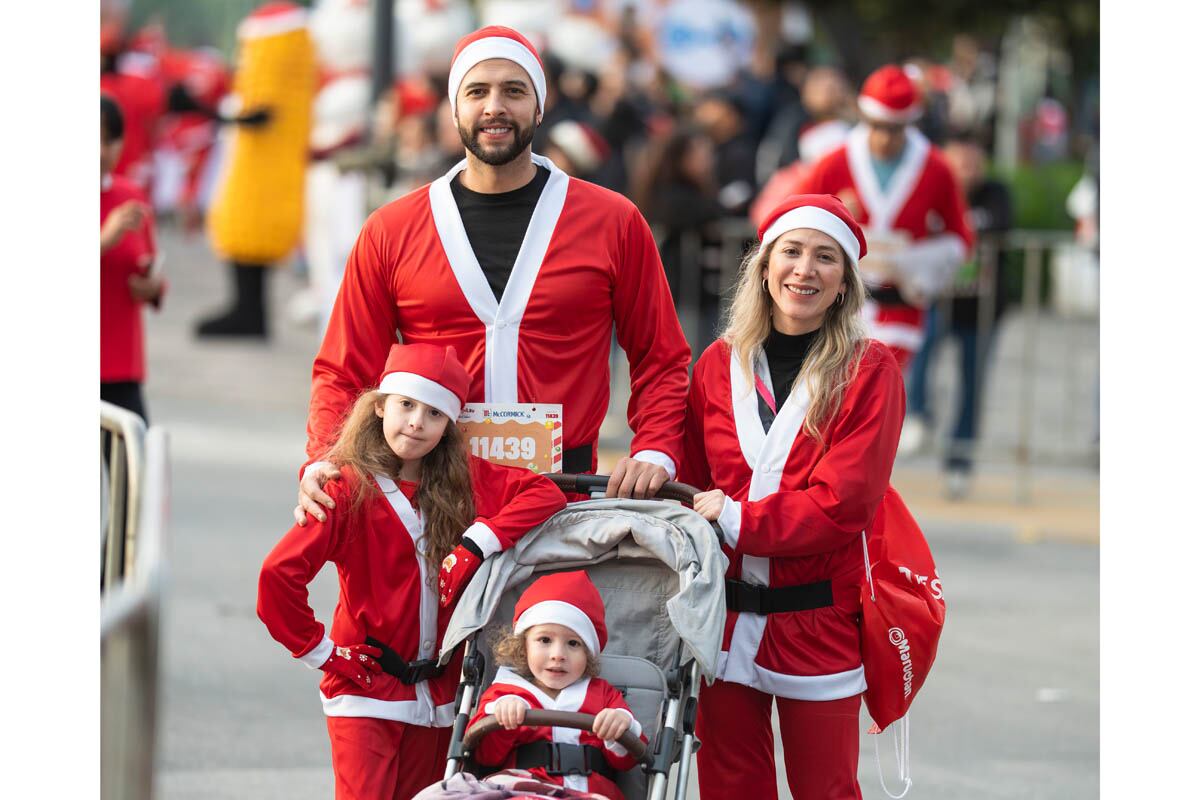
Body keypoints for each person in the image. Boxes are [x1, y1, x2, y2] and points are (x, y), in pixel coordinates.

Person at [297, 26, 691, 524]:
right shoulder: (391, 230)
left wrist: (655, 449)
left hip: (563, 503)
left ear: (540, 107)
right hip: (427, 502)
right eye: (477, 92)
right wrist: (325, 457)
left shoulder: (613, 221)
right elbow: (344, 369)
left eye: (514, 91)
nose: (494, 107)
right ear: (453, 109)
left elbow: (661, 358)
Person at [258, 343, 566, 799]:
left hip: (439, 696)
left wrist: (477, 542)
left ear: (448, 426)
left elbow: (545, 494)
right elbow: (278, 577)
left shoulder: (466, 481)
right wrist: (323, 653)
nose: (417, 422)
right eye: (406, 405)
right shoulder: (345, 487)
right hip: (365, 691)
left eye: (434, 413)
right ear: (380, 406)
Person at [682, 195, 904, 800]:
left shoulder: (869, 370)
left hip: (817, 619)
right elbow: (690, 482)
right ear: (764, 266)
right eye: (792, 251)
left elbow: (844, 503)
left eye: (825, 257)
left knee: (825, 789)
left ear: (844, 283)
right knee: (729, 787)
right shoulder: (718, 363)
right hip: (723, 620)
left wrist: (736, 517)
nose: (805, 269)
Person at [795, 64, 975, 371]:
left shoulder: (935, 168)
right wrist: (831, 212)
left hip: (901, 312)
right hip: (836, 310)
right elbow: (795, 221)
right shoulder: (833, 162)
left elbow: (960, 237)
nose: (884, 138)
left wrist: (919, 264)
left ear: (909, 123)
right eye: (876, 125)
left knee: (878, 389)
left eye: (894, 129)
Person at [470, 571, 647, 800]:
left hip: (591, 792)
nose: (558, 655)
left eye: (573, 643)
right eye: (545, 640)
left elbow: (627, 761)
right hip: (523, 789)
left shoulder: (603, 695)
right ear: (523, 646)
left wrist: (619, 727)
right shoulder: (504, 693)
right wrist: (502, 720)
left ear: (588, 654)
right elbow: (485, 757)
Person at [904, 134, 1013, 498]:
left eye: (972, 162)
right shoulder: (931, 188)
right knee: (919, 355)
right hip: (937, 301)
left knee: (973, 385)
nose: (966, 170)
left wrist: (955, 223)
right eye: (958, 162)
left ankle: (959, 462)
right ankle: (919, 414)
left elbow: (998, 224)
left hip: (982, 310)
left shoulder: (995, 193)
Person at [102, 94, 166, 422]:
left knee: (135, 448)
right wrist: (104, 239)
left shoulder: (130, 196)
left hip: (121, 365)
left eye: (110, 140)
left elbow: (148, 262)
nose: (102, 151)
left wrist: (152, 288)